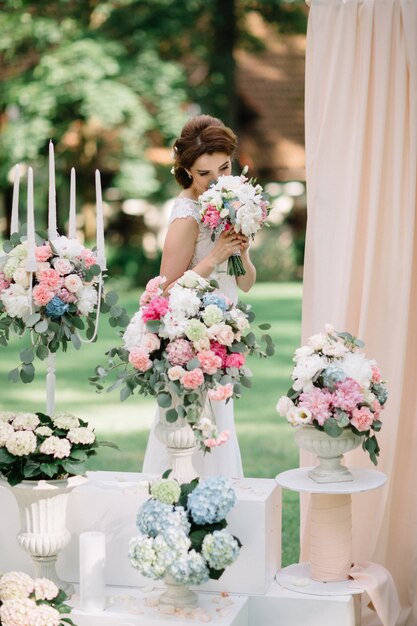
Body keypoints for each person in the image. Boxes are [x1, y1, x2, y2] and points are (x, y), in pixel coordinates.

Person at [142, 114, 256, 478]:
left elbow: (247, 283)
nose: (218, 180)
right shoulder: (186, 216)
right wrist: (215, 256)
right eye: (205, 174)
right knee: (189, 436)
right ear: (188, 171)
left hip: (223, 336)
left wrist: (241, 252)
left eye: (225, 168)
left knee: (219, 428)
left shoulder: (226, 207)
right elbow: (164, 293)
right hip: (191, 341)